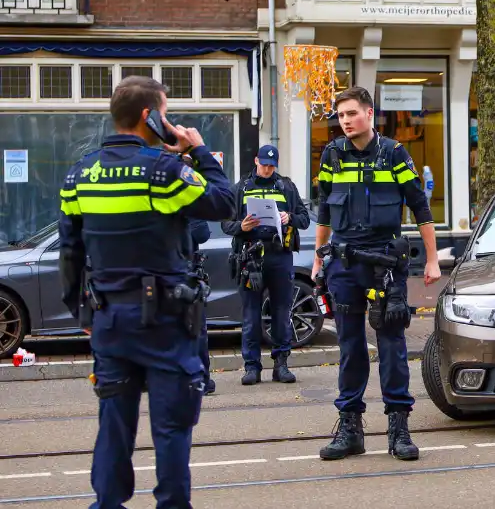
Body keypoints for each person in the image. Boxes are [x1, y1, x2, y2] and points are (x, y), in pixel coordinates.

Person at [58, 76, 236, 508]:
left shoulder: (79, 175)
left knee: (114, 423)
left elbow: (70, 253)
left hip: (110, 321)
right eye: (166, 112)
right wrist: (196, 151)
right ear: (149, 116)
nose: (169, 120)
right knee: (171, 428)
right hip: (166, 324)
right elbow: (227, 204)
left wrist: (84, 316)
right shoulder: (165, 173)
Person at [311, 86, 441, 461]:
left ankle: (399, 430)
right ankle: (350, 429)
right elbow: (324, 211)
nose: (345, 121)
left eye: (352, 113)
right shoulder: (333, 154)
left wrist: (432, 261)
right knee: (350, 347)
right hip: (344, 262)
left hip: (385, 262)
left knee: (391, 346)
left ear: (369, 114)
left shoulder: (394, 154)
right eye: (340, 116)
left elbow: (420, 207)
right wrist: (320, 260)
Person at [221, 145, 310, 385]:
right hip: (250, 258)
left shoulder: (286, 187)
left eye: (272, 166)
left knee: (282, 312)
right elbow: (226, 224)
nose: (268, 169)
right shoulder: (240, 188)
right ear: (256, 161)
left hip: (279, 256)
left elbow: (304, 218)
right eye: (264, 165)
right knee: (251, 315)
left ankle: (281, 365)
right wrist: (242, 226)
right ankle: (252, 367)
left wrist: (289, 217)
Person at [187, 217, 215, 395]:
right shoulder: (187, 194)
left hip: (154, 274)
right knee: (196, 328)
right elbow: (202, 233)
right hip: (184, 272)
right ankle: (200, 379)